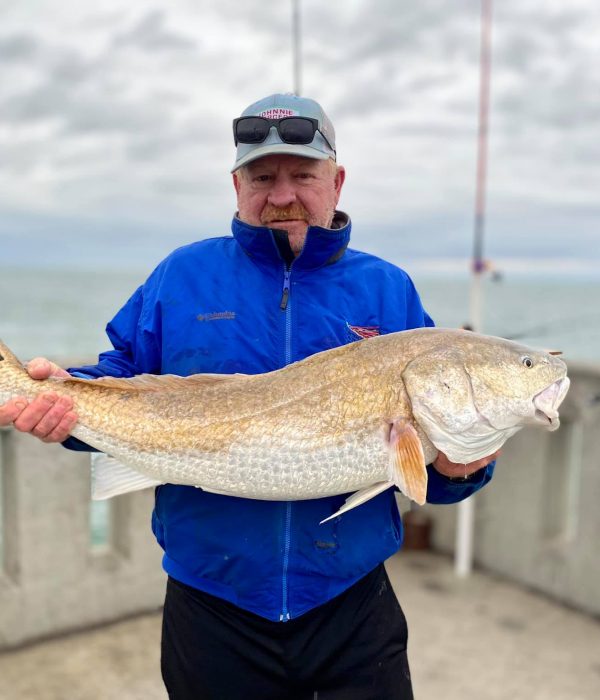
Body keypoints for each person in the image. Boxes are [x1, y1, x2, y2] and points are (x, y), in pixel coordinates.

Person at [0, 93, 498, 700]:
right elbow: (119, 378)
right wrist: (55, 402)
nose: (282, 194)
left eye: (303, 175)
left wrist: (462, 469)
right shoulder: (181, 277)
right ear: (237, 185)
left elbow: (428, 465)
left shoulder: (388, 291)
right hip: (212, 604)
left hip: (351, 604)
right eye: (263, 177)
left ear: (336, 182)